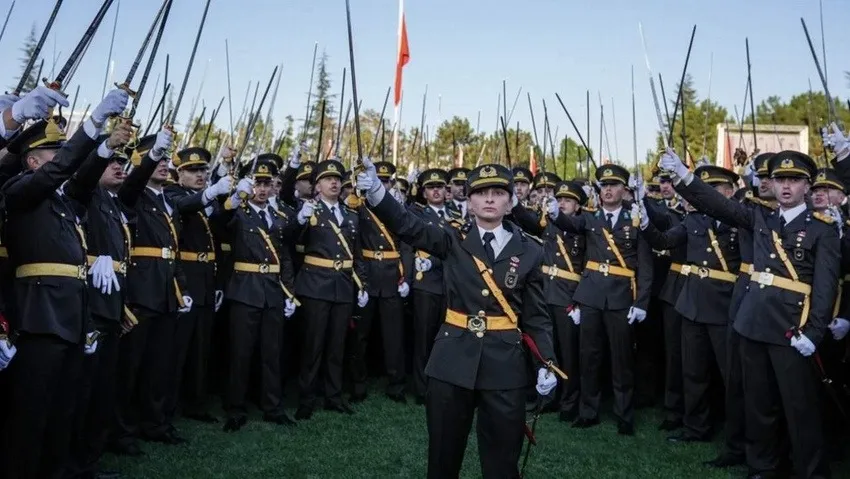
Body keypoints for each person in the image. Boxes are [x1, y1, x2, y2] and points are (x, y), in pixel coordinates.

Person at [356, 159, 558, 478]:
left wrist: (546, 362)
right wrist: (379, 193)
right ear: (469, 201)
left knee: (502, 462)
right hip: (452, 360)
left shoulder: (530, 250)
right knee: (442, 458)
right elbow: (409, 225)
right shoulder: (451, 239)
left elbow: (536, 317)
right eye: (481, 193)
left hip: (505, 364)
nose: (489, 199)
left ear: (510, 202)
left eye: (497, 192)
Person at [661, 148, 839, 479]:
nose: (786, 186)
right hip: (753, 323)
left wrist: (815, 333)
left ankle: (811, 472)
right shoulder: (760, 217)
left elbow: (826, 287)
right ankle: (762, 467)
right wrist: (684, 176)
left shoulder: (822, 228)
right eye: (780, 179)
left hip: (792, 329)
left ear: (807, 186)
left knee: (800, 409)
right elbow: (718, 205)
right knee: (759, 405)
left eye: (795, 181)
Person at [0, 86, 126, 478]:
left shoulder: (61, 202)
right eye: (55, 155)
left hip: (71, 314)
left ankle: (62, 470)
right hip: (39, 316)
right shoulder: (19, 190)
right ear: (34, 161)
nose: (62, 161)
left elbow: (82, 178)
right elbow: (65, 169)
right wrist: (89, 127)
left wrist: (102, 143)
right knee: (32, 411)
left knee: (64, 405)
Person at [545, 164, 653, 435]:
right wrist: (555, 212)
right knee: (588, 357)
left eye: (614, 185)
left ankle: (624, 415)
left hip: (620, 297)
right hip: (591, 295)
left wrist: (641, 303)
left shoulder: (635, 218)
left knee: (622, 360)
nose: (607, 190)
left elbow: (646, 267)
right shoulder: (590, 218)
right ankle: (588, 411)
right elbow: (570, 223)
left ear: (624, 190)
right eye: (603, 185)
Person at [639, 165, 742, 443]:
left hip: (725, 304)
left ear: (729, 193)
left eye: (713, 191)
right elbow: (665, 240)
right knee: (692, 371)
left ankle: (737, 436)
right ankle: (696, 427)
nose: (704, 197)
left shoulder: (740, 221)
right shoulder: (694, 220)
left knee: (732, 375)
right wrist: (646, 223)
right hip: (692, 302)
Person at [63, 120, 136, 479]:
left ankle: (90, 458)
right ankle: (77, 461)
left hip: (111, 301)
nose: (119, 167)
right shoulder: (87, 194)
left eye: (122, 162)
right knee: (84, 387)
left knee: (102, 386)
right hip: (90, 302)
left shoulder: (112, 201)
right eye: (111, 162)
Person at [111, 127, 188, 455]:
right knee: (131, 367)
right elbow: (130, 184)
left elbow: (174, 248)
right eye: (155, 158)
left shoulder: (168, 199)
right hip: (141, 291)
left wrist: (181, 288)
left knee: (159, 365)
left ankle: (154, 423)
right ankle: (122, 432)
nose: (163, 164)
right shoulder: (133, 193)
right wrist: (149, 157)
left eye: (165, 159)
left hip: (166, 290)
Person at [221, 159, 299, 432]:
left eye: (267, 184)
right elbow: (220, 221)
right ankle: (235, 408)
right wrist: (232, 197)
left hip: (272, 290)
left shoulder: (279, 218)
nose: (263, 189)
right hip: (245, 288)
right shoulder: (238, 213)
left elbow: (285, 257)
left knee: (271, 353)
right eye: (258, 184)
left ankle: (272, 407)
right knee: (241, 353)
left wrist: (289, 291)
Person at [293, 160, 368, 419]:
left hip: (343, 286)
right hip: (315, 284)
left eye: (337, 179)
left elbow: (356, 254)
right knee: (313, 345)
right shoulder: (309, 211)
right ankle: (307, 398)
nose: (334, 183)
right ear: (317, 186)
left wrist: (362, 284)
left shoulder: (350, 214)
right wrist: (300, 220)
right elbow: (290, 240)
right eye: (327, 179)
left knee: (337, 345)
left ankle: (333, 396)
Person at [164, 147, 232, 425]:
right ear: (179, 174)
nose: (200, 175)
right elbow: (186, 206)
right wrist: (213, 192)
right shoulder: (173, 193)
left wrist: (232, 198)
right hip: (185, 277)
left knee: (201, 347)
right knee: (177, 348)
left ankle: (195, 402)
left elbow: (221, 232)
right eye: (193, 171)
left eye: (203, 170)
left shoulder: (209, 200)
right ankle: (168, 405)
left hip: (206, 277)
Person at [512, 180, 587, 423]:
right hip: (546, 291)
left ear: (578, 206)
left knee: (568, 353)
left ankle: (569, 401)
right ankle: (546, 397)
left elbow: (589, 266)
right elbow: (528, 222)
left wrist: (580, 300)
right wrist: (514, 203)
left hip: (568, 295)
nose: (562, 203)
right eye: (560, 199)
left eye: (568, 200)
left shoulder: (584, 227)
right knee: (545, 350)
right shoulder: (548, 223)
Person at [350, 161, 409, 403]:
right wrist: (360, 280)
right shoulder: (358, 207)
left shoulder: (395, 208)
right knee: (360, 336)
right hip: (367, 274)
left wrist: (405, 276)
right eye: (379, 180)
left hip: (392, 276)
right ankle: (357, 384)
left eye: (386, 181)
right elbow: (352, 243)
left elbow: (406, 243)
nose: (382, 184)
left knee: (394, 336)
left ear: (391, 184)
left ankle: (396, 385)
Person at [405, 168, 459, 404]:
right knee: (424, 339)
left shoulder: (456, 214)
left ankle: (442, 385)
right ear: (424, 192)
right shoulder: (417, 213)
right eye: (431, 187)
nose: (436, 191)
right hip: (426, 283)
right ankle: (421, 388)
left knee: (446, 339)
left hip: (449, 283)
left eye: (440, 187)